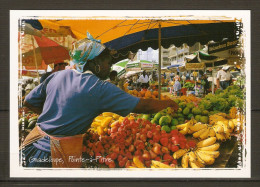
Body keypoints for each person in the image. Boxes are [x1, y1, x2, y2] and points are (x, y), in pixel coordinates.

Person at [21, 32, 179, 168]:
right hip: (53, 157)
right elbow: (142, 106)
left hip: (30, 145)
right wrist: (168, 103)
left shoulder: (58, 75)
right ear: (95, 63)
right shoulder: (98, 87)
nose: (110, 67)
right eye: (108, 63)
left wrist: (54, 118)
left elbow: (29, 101)